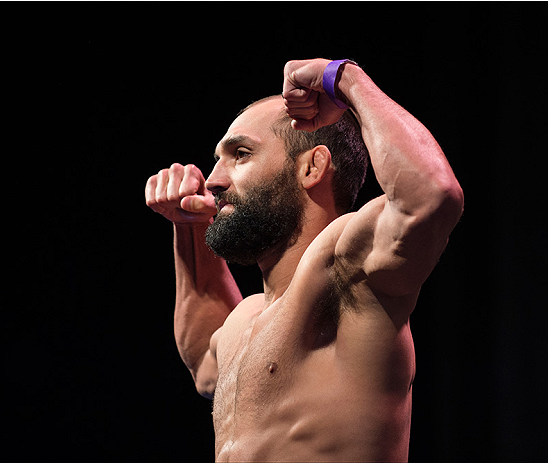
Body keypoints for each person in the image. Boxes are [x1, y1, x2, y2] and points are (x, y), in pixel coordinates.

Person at [144, 58, 463, 462]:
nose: (213, 180)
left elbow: (432, 197)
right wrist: (186, 226)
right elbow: (205, 365)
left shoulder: (346, 267)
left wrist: (346, 80)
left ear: (313, 167)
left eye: (240, 154)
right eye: (217, 160)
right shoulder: (247, 316)